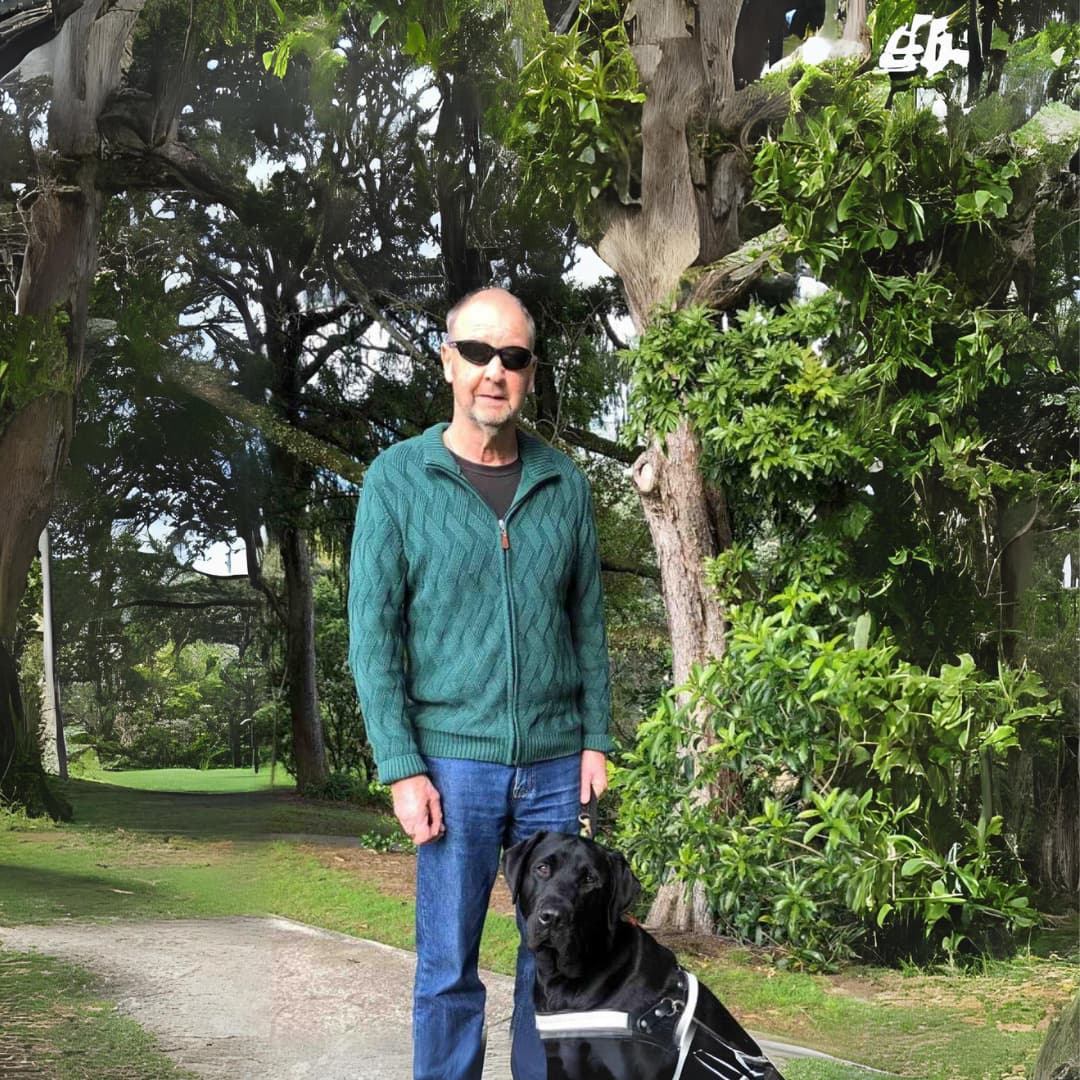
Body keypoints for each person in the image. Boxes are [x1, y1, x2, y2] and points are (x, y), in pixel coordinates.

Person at [347, 287, 613, 1080]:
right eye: (478, 353)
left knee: (556, 965)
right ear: (447, 361)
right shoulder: (398, 479)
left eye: (514, 358)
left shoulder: (565, 485)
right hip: (451, 766)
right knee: (447, 971)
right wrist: (401, 765)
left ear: (529, 372)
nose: (494, 372)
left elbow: (587, 625)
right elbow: (372, 636)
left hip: (554, 766)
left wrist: (595, 738)